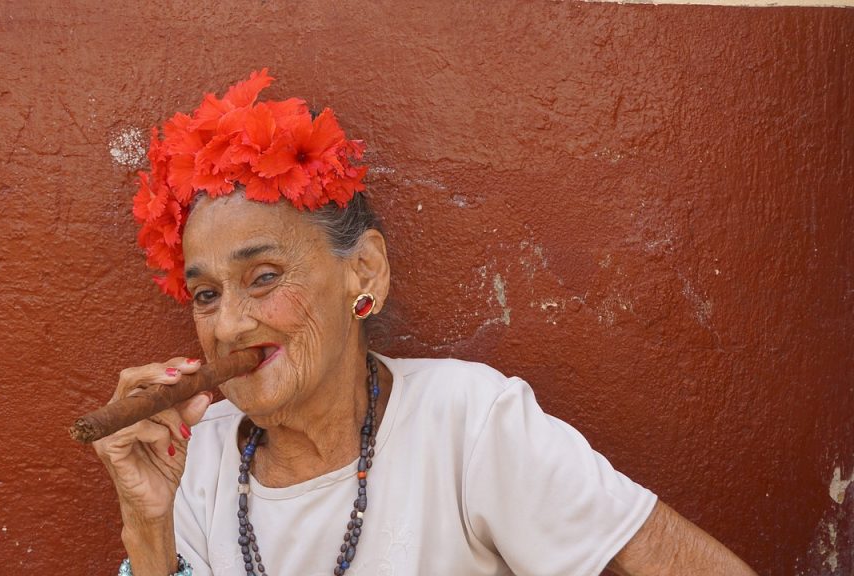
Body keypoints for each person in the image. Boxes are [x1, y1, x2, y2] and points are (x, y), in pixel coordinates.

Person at [92, 69, 757, 576]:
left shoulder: (465, 421)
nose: (229, 325)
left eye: (264, 278)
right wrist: (149, 530)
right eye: (205, 295)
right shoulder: (194, 457)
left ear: (365, 275)